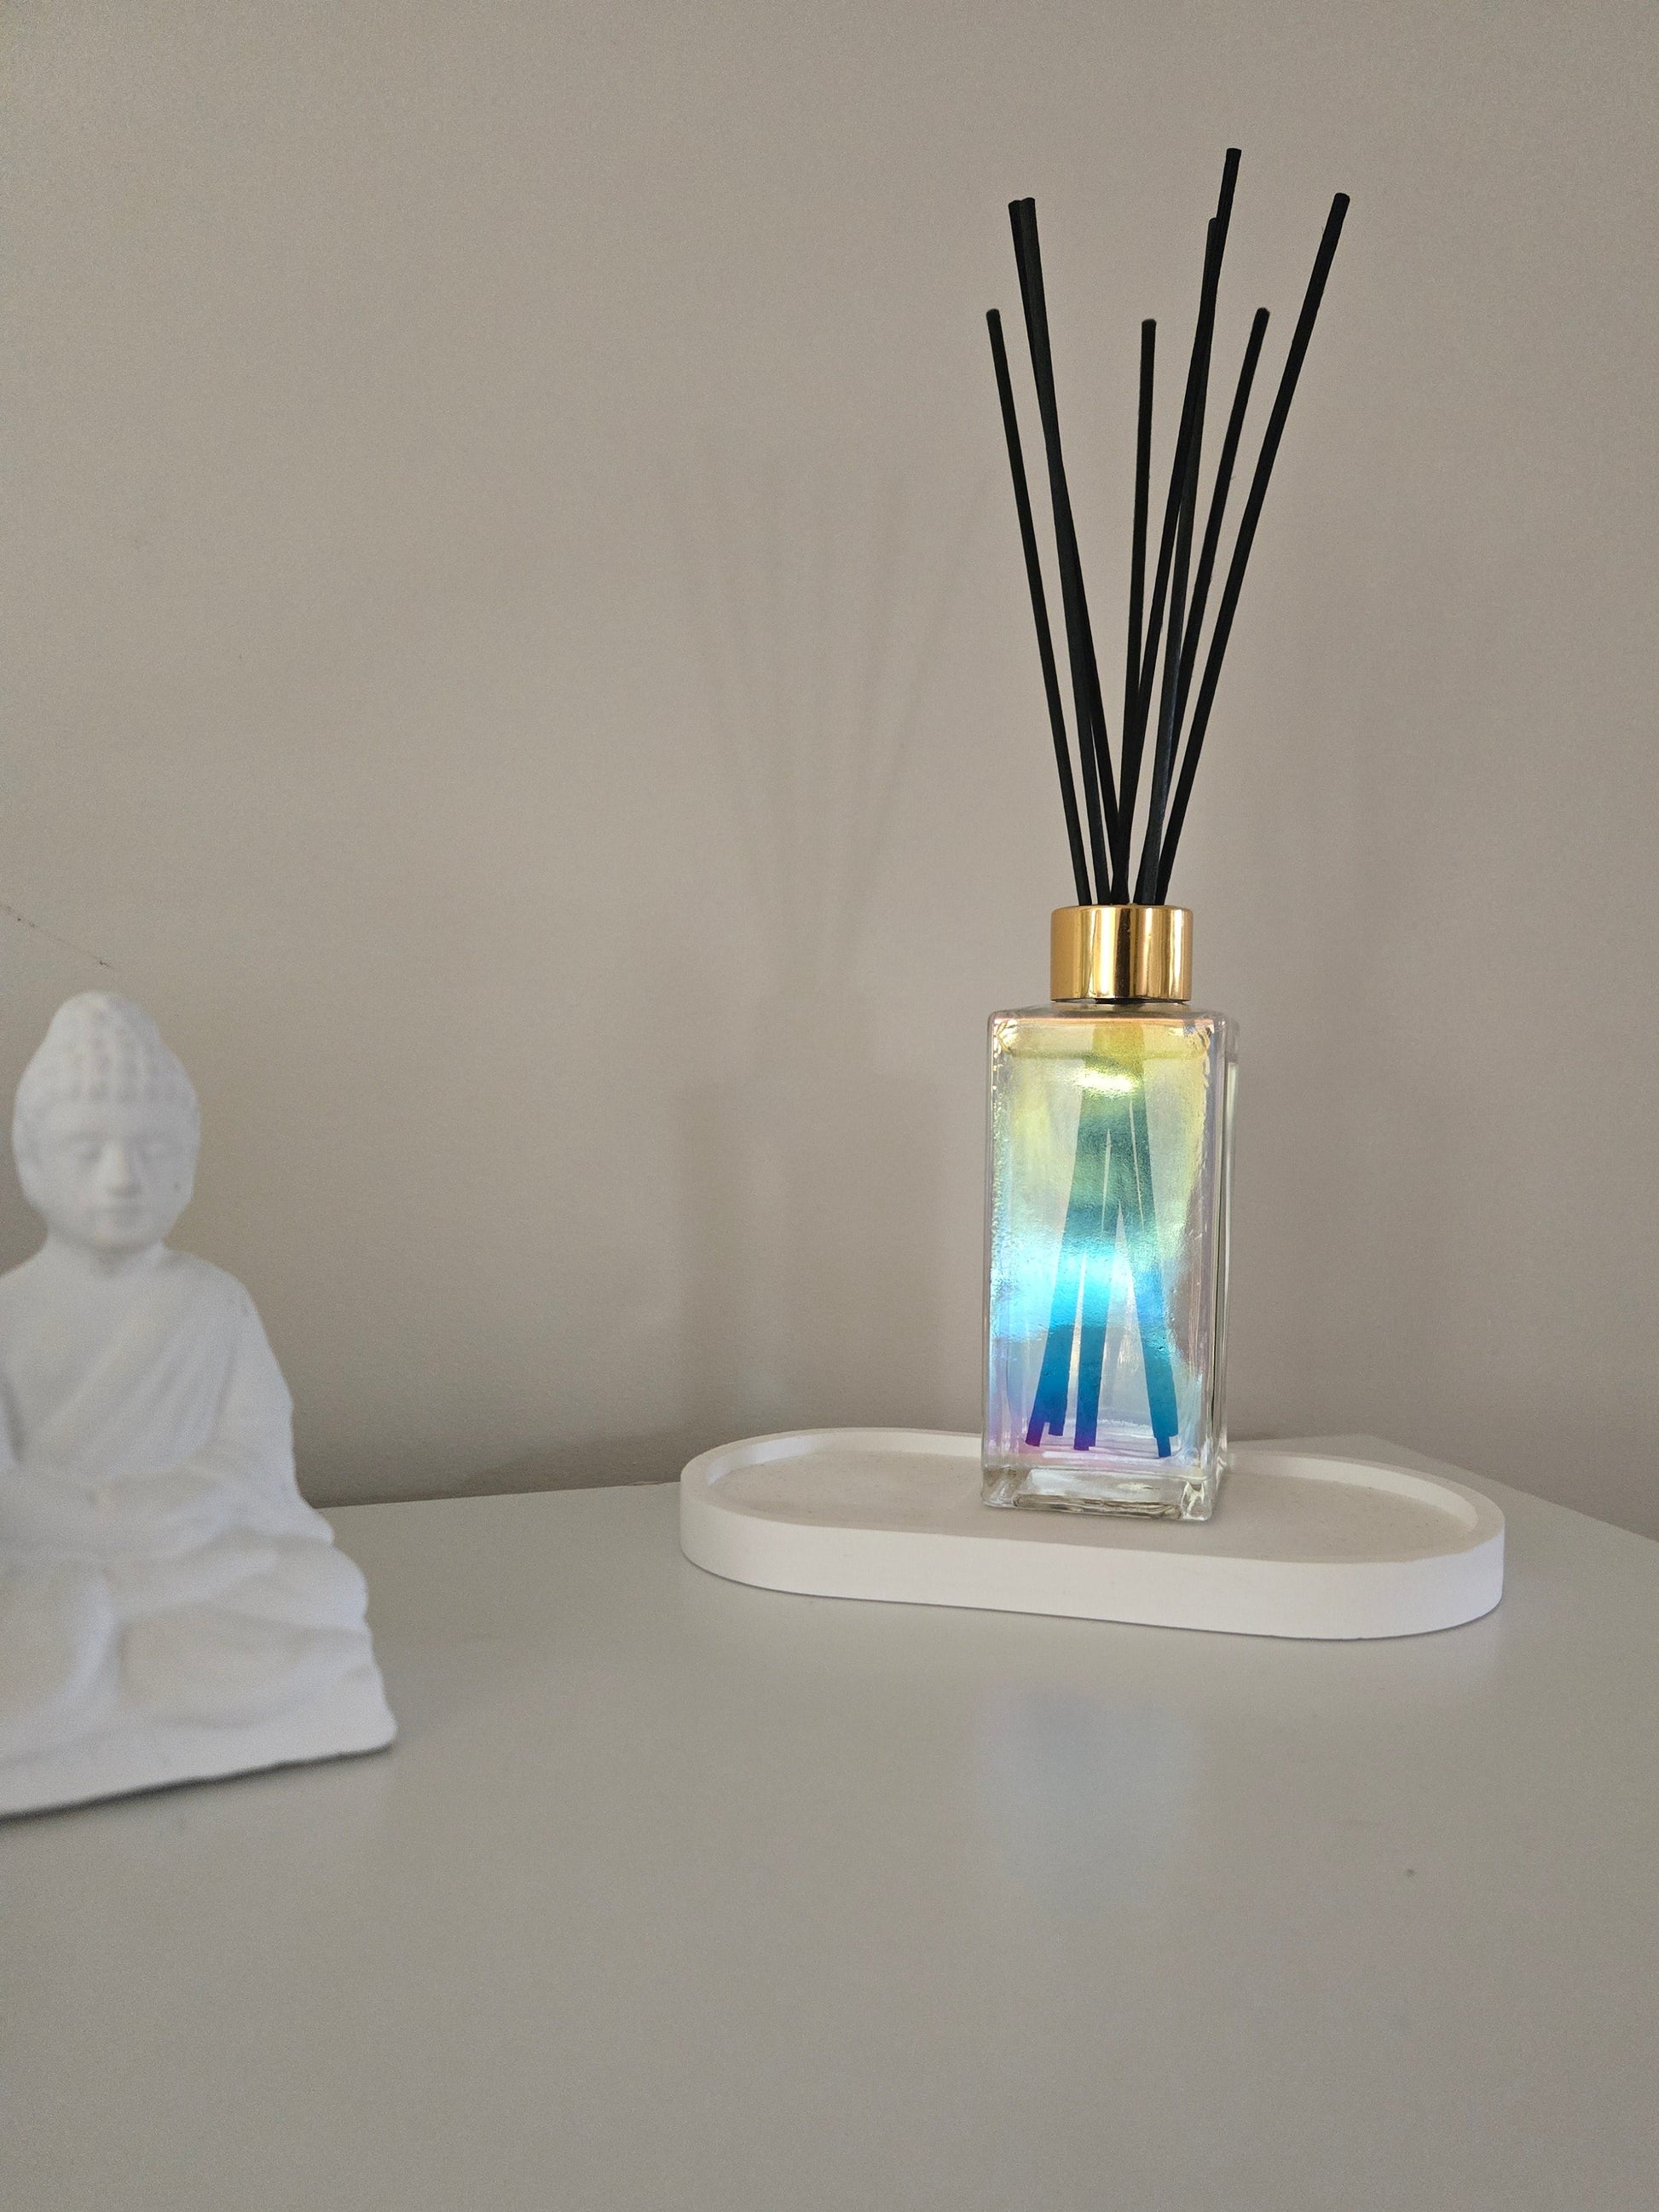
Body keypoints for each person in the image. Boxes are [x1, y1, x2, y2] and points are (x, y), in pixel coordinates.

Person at [0, 994, 393, 1812]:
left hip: (198, 1549)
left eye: (150, 1150)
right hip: (54, 1572)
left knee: (328, 1587)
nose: (121, 1177)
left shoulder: (215, 1304)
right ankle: (127, 1632)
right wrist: (112, 1529)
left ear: (186, 1167)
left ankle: (142, 1636)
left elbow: (253, 1460)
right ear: (32, 1163)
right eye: (87, 1150)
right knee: (36, 1645)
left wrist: (187, 1509)